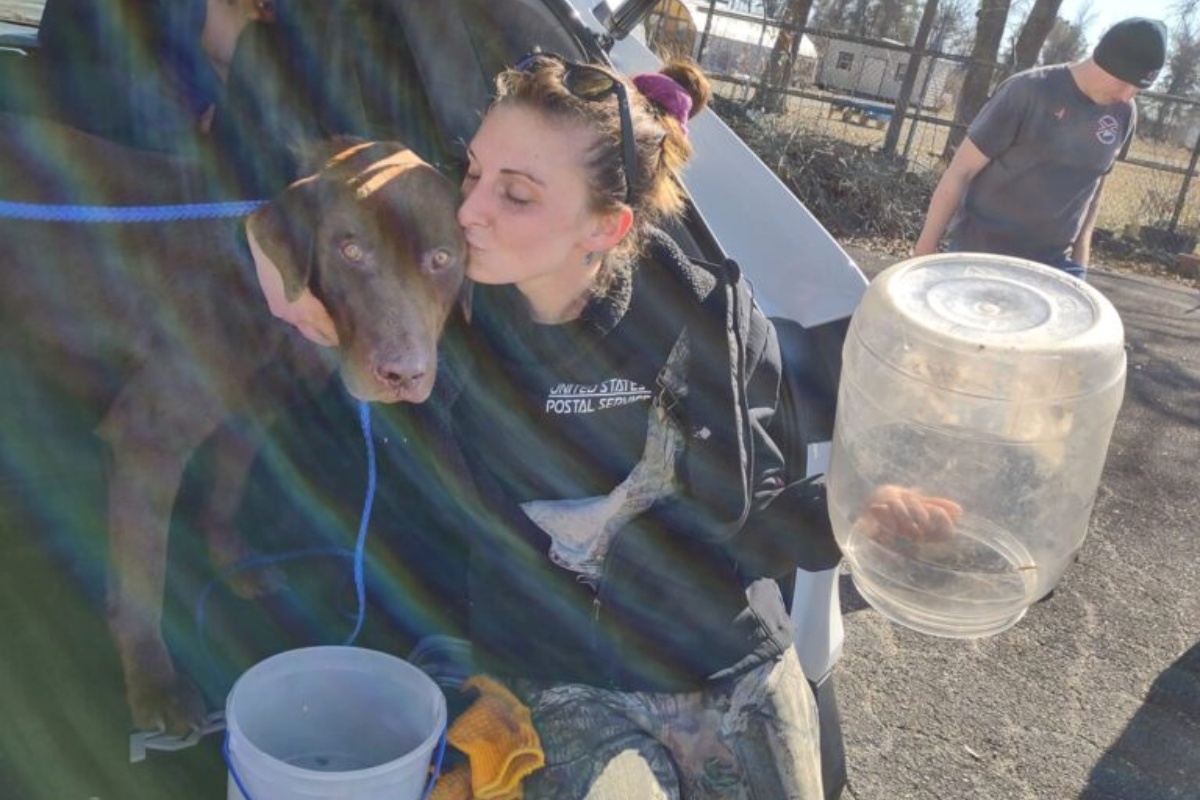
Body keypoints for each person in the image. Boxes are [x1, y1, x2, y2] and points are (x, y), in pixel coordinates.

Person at [417, 50, 957, 800]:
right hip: (551, 667)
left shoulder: (710, 320)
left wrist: (854, 509)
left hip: (713, 651)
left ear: (605, 228)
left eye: (516, 194)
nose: (469, 209)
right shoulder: (440, 317)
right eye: (472, 173)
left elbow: (754, 518)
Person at [914, 17, 1168, 279]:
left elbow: (1094, 188)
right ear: (1104, 60)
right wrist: (922, 255)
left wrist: (1080, 265)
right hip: (982, 256)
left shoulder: (1123, 113)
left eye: (1138, 88)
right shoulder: (1028, 91)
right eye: (1124, 82)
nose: (1127, 95)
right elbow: (959, 172)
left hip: (1055, 264)